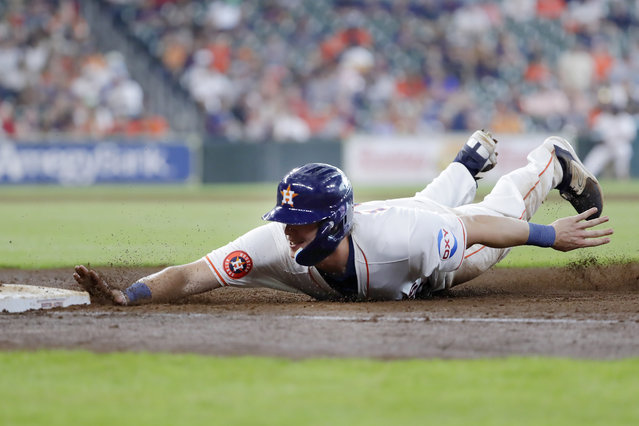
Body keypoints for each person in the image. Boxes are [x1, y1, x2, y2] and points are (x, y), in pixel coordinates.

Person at [74, 130, 613, 303]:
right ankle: (468, 161)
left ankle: (550, 159)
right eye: (286, 218)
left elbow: (472, 227)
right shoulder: (272, 245)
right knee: (428, 202)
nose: (288, 230)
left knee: (498, 210)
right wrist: (131, 295)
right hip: (411, 219)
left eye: (300, 220)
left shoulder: (402, 238)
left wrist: (546, 235)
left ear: (331, 221)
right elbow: (192, 274)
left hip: (434, 255)